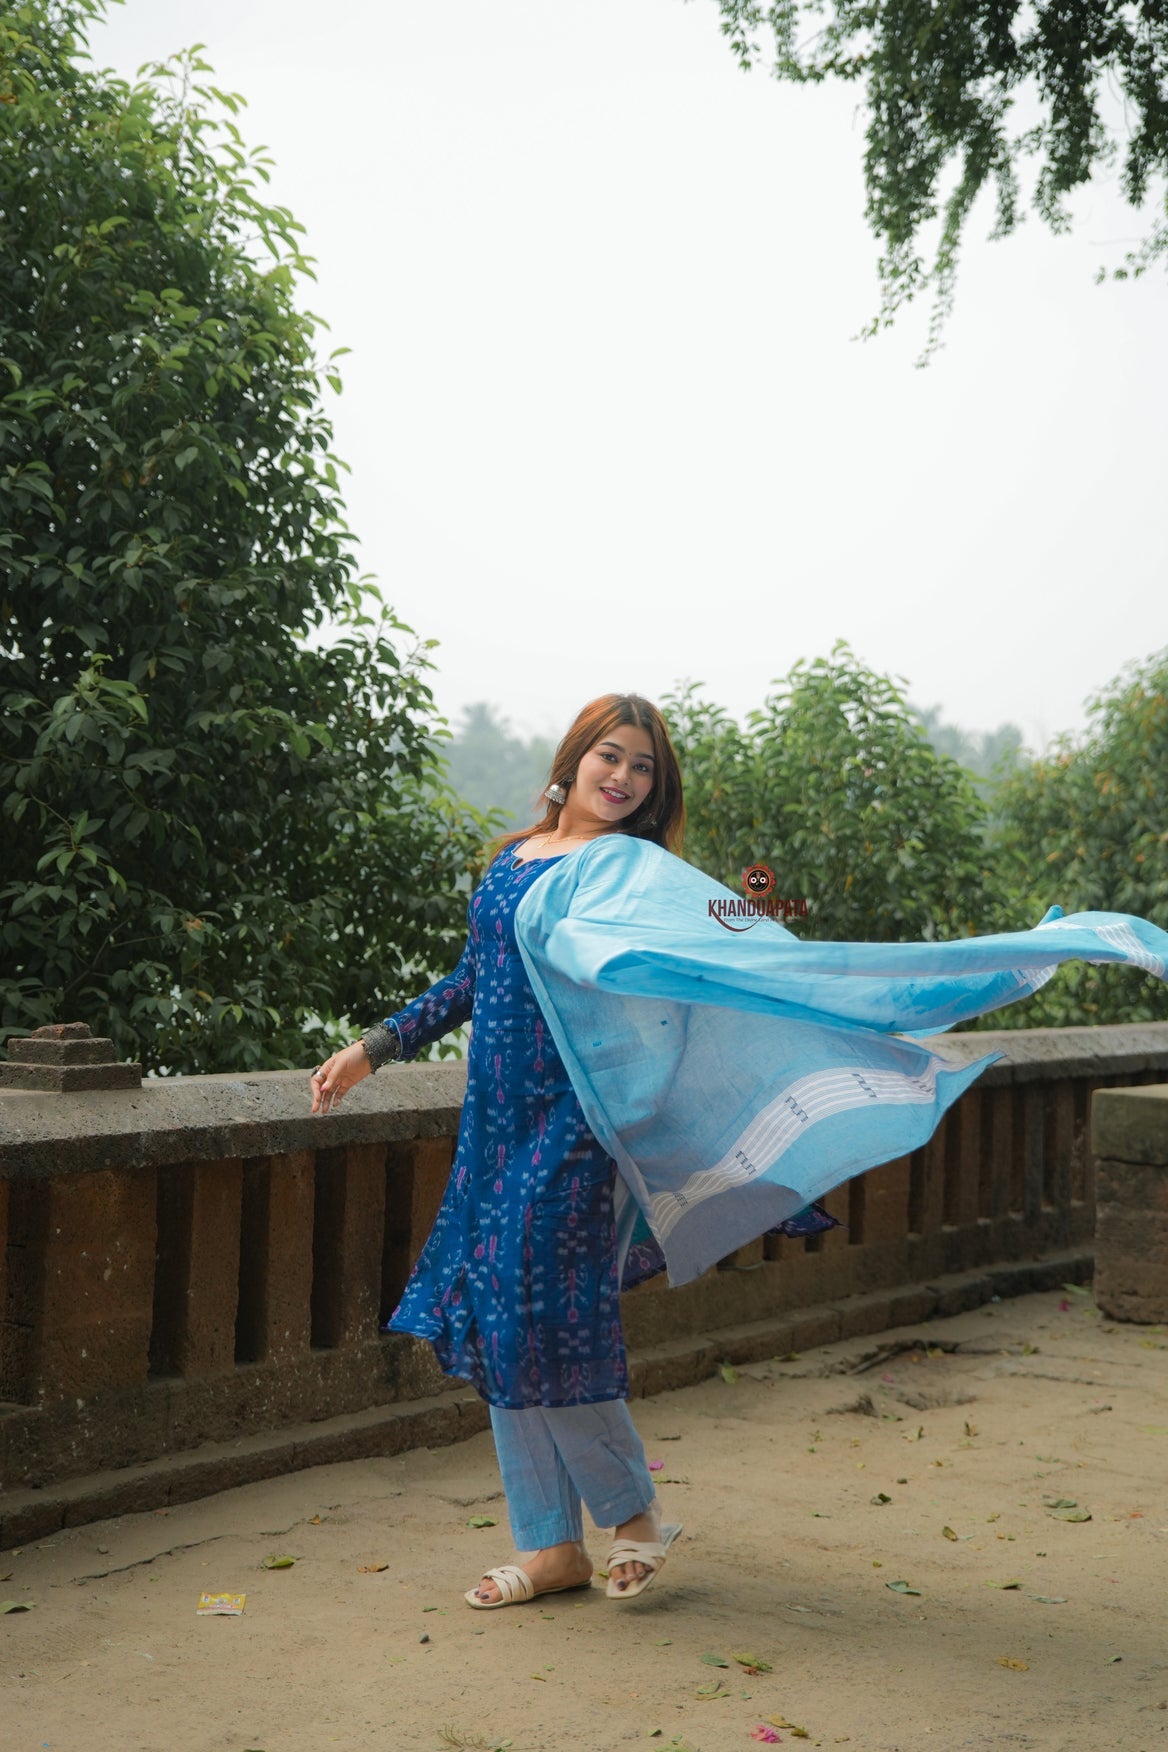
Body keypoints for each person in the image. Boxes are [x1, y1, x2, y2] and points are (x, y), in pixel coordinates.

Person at [310, 693, 687, 1608]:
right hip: (495, 1126)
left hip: (575, 1124)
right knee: (499, 1318)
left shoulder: (625, 871)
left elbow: (695, 961)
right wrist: (375, 1047)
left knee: (551, 1318)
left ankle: (633, 1517)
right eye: (612, 755)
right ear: (575, 757)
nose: (625, 779)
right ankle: (552, 1546)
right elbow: (476, 976)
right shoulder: (517, 859)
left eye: (643, 768)